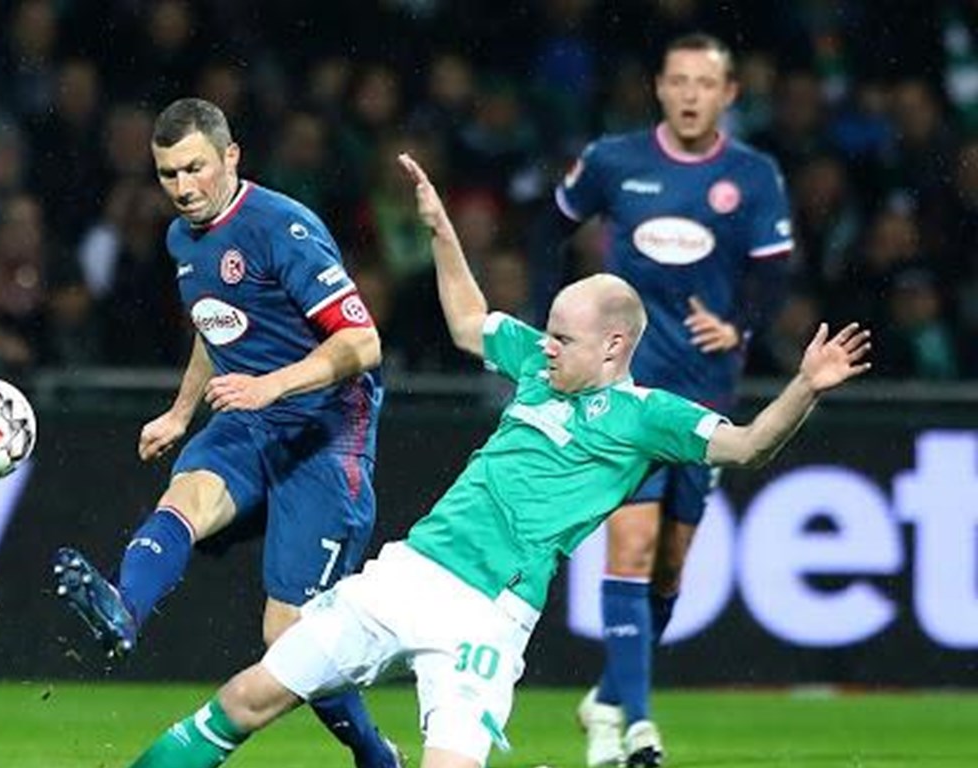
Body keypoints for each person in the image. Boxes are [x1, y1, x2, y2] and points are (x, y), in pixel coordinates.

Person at [120, 154, 869, 768]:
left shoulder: (649, 417)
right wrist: (442, 232)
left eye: (564, 339)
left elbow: (749, 444)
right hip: (409, 572)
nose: (547, 345)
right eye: (548, 332)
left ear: (614, 346)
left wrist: (805, 386)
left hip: (487, 616)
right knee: (244, 700)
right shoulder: (540, 364)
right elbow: (469, 321)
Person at [53, 98, 400, 768]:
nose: (183, 188)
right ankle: (124, 609)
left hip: (326, 433)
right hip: (249, 418)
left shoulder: (283, 228)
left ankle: (374, 754)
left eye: (195, 168)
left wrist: (271, 386)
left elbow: (363, 343)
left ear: (231, 156)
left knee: (288, 639)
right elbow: (214, 326)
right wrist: (181, 412)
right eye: (168, 174)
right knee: (185, 497)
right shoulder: (183, 240)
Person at [552, 33, 794, 767]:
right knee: (631, 546)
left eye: (705, 83)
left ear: (729, 94)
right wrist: (553, 325)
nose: (691, 94)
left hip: (704, 393)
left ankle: (605, 700)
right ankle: (636, 727)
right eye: (679, 81)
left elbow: (773, 273)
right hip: (628, 394)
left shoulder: (752, 176)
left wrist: (739, 325)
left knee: (669, 568)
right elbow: (548, 229)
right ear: (658, 87)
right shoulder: (613, 160)